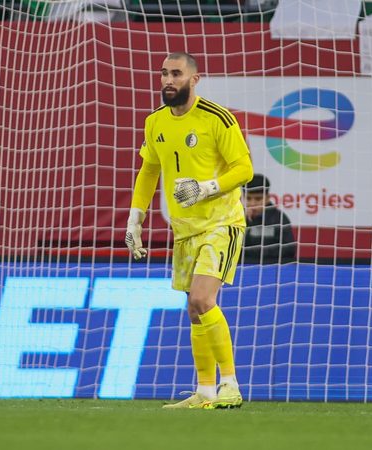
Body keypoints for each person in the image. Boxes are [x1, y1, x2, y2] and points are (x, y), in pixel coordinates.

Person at [125, 52, 253, 409]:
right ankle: (205, 391)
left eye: (177, 74)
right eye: (164, 73)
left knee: (201, 298)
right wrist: (136, 218)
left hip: (221, 222)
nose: (168, 80)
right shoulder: (155, 123)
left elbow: (243, 168)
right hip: (185, 229)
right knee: (193, 310)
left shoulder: (217, 118)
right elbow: (149, 170)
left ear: (194, 79)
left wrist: (206, 187)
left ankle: (230, 384)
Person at [242, 173, 297, 263]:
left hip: (272, 270)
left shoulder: (279, 219)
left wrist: (254, 253)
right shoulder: (239, 219)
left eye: (258, 199)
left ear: (267, 198)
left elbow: (289, 249)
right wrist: (247, 222)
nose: (252, 203)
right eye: (248, 198)